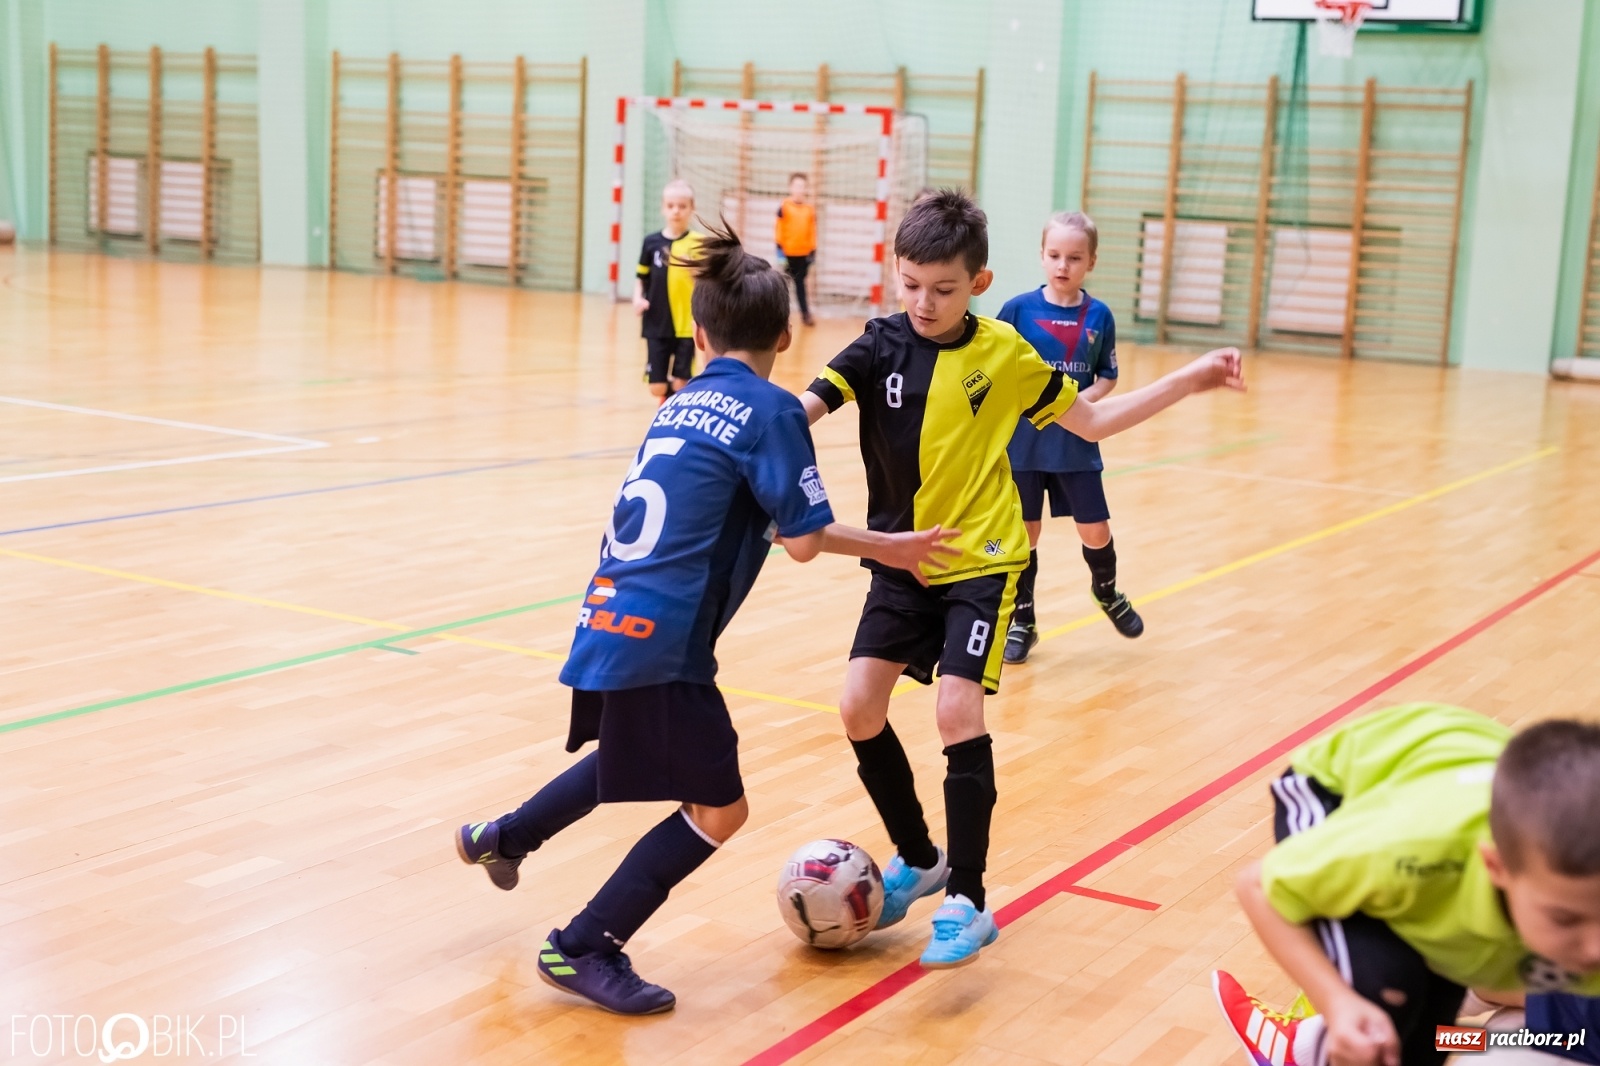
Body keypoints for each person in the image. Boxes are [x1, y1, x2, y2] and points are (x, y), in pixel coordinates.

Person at [455, 221, 959, 1016]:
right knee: (720, 807)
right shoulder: (771, 412)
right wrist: (889, 546)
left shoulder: (682, 402)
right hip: (667, 637)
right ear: (787, 335)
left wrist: (884, 547)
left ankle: (505, 837)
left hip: (606, 613)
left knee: (631, 753)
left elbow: (767, 520)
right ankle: (584, 944)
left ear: (696, 332)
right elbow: (799, 540)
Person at [800, 188, 1244, 967]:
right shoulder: (876, 347)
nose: (923, 302)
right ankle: (919, 855)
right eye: (909, 285)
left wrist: (1188, 381)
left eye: (942, 288)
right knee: (857, 706)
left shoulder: (1004, 352)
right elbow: (799, 410)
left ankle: (967, 896)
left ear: (978, 282)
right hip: (902, 560)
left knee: (954, 708)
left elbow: (1095, 422)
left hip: (983, 562)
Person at [1214, 704, 1600, 1066]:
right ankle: (1311, 1043)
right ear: (1497, 868)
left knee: (1425, 1040)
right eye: (1565, 918)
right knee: (1390, 991)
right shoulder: (1412, 849)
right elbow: (1257, 886)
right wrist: (1335, 1000)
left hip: (1555, 1028)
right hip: (1335, 788)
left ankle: (1308, 1043)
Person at [998, 211, 1139, 666]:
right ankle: (1023, 619)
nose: (1063, 265)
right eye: (1055, 255)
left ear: (1091, 262)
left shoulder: (1099, 315)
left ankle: (1106, 590)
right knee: (1025, 534)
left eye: (1074, 257)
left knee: (1095, 530)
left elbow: (1107, 377)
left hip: (1075, 443)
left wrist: (1080, 403)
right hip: (1024, 445)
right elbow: (996, 367)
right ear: (1041, 256)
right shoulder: (1018, 310)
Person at [633, 179, 701, 400]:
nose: (676, 211)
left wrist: (694, 270)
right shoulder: (650, 242)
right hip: (656, 322)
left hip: (687, 324)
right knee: (657, 387)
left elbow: (708, 282)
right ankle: (667, 396)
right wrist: (637, 299)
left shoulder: (698, 243)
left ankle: (673, 408)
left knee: (682, 383)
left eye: (682, 206)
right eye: (671, 206)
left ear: (692, 209)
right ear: (663, 208)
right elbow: (641, 277)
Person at [774, 172, 818, 327]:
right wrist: (779, 251)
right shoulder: (784, 206)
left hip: (803, 255)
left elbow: (812, 231)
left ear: (806, 189)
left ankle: (805, 314)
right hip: (787, 254)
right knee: (784, 287)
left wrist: (813, 251)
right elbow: (779, 229)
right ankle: (780, 317)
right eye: (796, 186)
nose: (799, 189)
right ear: (790, 187)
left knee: (800, 286)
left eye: (802, 186)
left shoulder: (809, 209)